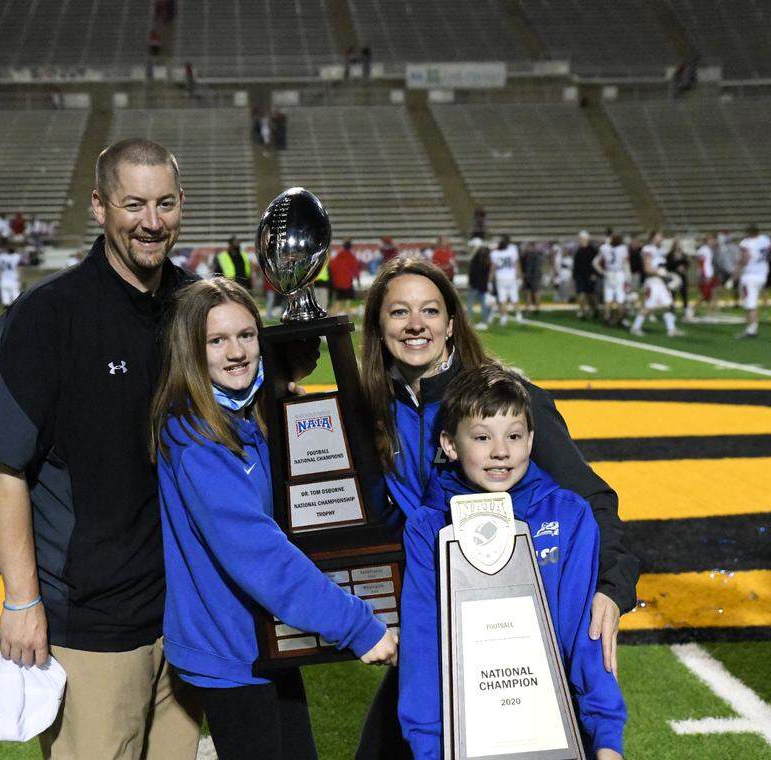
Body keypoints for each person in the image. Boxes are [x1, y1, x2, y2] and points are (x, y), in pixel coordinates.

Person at [0, 138, 204, 759]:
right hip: (93, 625)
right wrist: (21, 600)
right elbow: (1, 465)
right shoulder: (48, 316)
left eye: (165, 203)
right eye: (134, 204)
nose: (152, 222)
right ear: (99, 207)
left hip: (188, 615)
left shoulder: (198, 308)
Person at [354, 258, 639, 759]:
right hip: (437, 614)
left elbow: (589, 500)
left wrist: (612, 588)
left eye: (430, 310)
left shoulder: (500, 400)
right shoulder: (368, 409)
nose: (415, 324)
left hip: (524, 618)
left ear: (451, 323)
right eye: (399, 312)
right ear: (379, 327)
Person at [151, 277, 397, 760]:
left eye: (246, 335)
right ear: (190, 351)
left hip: (269, 640)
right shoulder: (194, 437)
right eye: (216, 340)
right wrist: (356, 624)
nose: (236, 351)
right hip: (232, 651)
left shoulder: (246, 416)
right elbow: (259, 554)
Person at [399, 364, 626, 759]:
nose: (501, 451)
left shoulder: (568, 515)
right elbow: (423, 646)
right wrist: (427, 746)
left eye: (514, 436)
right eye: (482, 437)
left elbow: (582, 634)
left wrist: (607, 739)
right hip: (464, 738)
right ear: (450, 445)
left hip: (557, 731)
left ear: (531, 439)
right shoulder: (428, 527)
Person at [629, 232, 680, 337]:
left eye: (661, 237)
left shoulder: (659, 250)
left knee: (668, 304)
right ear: (652, 238)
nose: (661, 239)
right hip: (653, 282)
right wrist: (659, 273)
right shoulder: (648, 249)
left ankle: (672, 329)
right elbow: (647, 268)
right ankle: (635, 327)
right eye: (659, 237)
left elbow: (661, 267)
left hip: (660, 282)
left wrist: (667, 275)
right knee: (649, 306)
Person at [731, 224, 771, 339]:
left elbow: (746, 257)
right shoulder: (765, 240)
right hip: (762, 274)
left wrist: (736, 271)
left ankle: (751, 329)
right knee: (752, 301)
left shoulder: (746, 243)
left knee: (750, 303)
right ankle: (752, 327)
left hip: (750, 275)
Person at [593, 234, 630, 326]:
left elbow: (594, 262)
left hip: (609, 274)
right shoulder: (623, 248)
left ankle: (606, 318)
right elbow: (626, 263)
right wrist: (628, 277)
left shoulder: (604, 248)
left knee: (608, 298)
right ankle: (621, 319)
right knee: (620, 299)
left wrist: (602, 272)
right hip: (619, 274)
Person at [490, 235, 522, 326]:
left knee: (503, 299)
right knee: (514, 297)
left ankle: (504, 318)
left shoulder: (495, 253)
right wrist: (519, 276)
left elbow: (493, 268)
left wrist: (489, 280)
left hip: (501, 278)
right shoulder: (512, 250)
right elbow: (516, 264)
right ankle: (519, 316)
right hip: (511, 278)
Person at [329, 239, 361, 315]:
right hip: (347, 282)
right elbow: (355, 270)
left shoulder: (338, 256)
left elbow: (332, 267)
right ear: (350, 247)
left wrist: (333, 279)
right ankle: (347, 312)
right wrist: (358, 280)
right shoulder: (351, 257)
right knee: (348, 298)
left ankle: (335, 312)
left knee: (338, 299)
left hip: (337, 282)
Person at [466, 238, 491, 330]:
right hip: (483, 284)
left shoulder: (476, 257)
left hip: (476, 284)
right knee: (483, 303)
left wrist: (470, 282)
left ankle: (469, 322)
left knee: (471, 303)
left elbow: (474, 272)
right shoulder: (486, 255)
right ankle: (484, 321)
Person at [573, 231, 598, 319]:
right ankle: (582, 311)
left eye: (581, 238)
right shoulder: (578, 250)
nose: (580, 240)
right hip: (580, 275)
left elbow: (596, 263)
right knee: (581, 293)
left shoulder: (592, 250)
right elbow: (576, 265)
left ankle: (594, 309)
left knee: (591, 295)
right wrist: (574, 276)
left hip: (590, 275)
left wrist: (594, 274)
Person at [694, 233, 719, 314]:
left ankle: (713, 310)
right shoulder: (703, 249)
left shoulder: (709, 249)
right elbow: (701, 263)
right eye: (710, 239)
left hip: (710, 273)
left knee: (714, 291)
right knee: (704, 294)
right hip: (706, 274)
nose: (712, 241)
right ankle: (692, 309)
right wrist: (703, 275)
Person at [522, 240, 544, 314]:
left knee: (528, 291)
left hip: (530, 275)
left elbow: (526, 267)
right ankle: (537, 308)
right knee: (536, 291)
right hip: (536, 275)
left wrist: (525, 274)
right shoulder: (539, 254)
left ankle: (528, 308)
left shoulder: (527, 255)